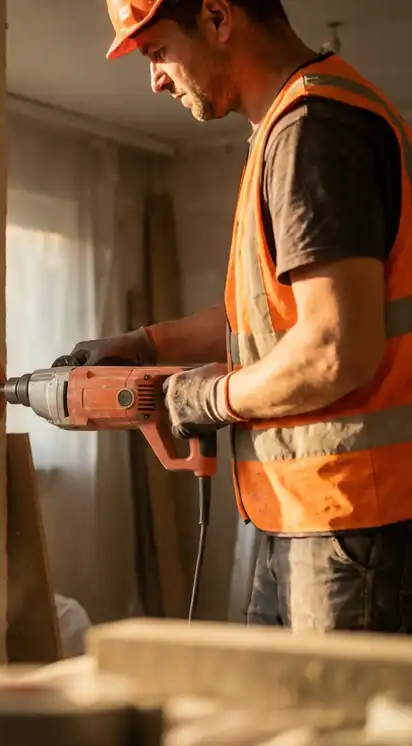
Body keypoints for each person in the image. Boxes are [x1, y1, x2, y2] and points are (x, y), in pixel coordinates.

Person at [61, 0, 412, 632]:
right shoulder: (288, 127)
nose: (156, 79)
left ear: (219, 18)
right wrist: (143, 344)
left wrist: (208, 399)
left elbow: (335, 349)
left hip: (352, 519)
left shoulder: (315, 130)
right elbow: (266, 321)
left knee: (328, 730)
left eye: (157, 51)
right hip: (308, 515)